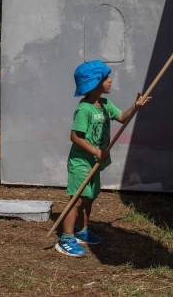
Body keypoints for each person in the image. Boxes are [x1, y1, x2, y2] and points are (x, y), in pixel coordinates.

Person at [55, 60, 151, 257]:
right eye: (107, 77)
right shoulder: (85, 109)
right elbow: (75, 137)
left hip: (94, 162)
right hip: (81, 162)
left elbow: (123, 118)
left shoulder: (105, 104)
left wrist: (136, 106)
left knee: (89, 198)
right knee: (77, 200)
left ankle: (82, 231)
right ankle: (65, 239)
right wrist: (96, 151)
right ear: (95, 83)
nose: (110, 80)